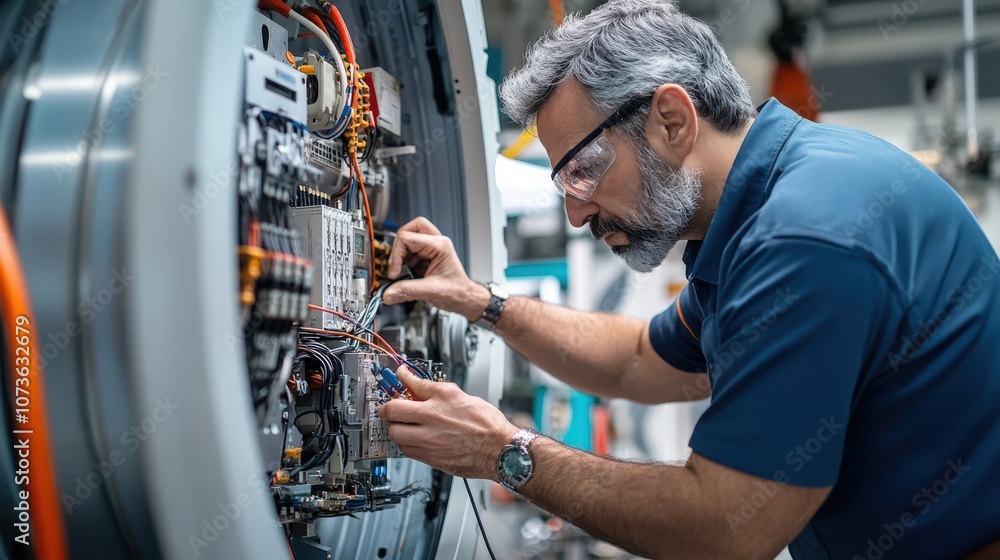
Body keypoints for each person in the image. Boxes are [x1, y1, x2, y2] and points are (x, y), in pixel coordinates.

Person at [378, 1, 1000, 558]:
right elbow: (637, 361)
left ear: (672, 119)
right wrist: (480, 301)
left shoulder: (803, 240)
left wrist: (502, 452)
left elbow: (726, 528)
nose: (576, 212)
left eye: (582, 172)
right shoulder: (757, 211)